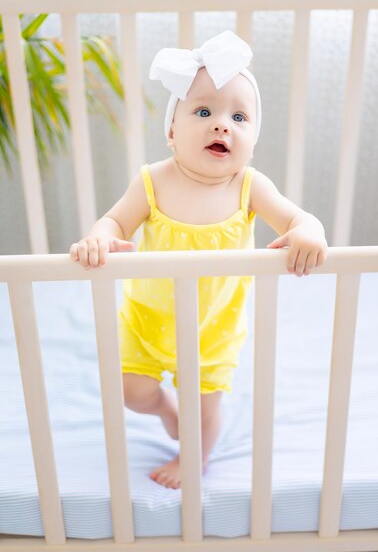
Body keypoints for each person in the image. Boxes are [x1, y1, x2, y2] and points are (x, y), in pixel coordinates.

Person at [70, 30, 328, 490]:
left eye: (239, 116)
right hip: (148, 318)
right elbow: (114, 222)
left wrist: (309, 229)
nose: (221, 124)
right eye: (203, 111)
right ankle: (166, 411)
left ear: (252, 139)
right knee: (130, 391)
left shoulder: (249, 187)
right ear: (171, 130)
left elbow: (297, 217)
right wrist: (98, 238)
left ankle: (195, 458)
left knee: (205, 408)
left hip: (214, 326)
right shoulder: (152, 182)